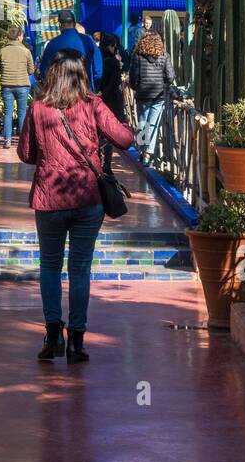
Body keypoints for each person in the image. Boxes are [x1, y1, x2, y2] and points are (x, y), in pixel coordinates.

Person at [18, 49, 134, 363]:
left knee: (49, 267)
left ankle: (52, 332)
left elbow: (26, 154)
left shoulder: (38, 108)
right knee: (80, 269)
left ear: (52, 76)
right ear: (82, 76)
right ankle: (77, 341)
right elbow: (124, 139)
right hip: (87, 198)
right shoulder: (94, 105)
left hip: (49, 199)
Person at [129, 25, 174, 165]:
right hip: (158, 95)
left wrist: (135, 87)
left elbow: (134, 76)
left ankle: (143, 151)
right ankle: (148, 154)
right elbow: (170, 77)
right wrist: (164, 84)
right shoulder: (164, 56)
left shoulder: (137, 56)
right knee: (153, 124)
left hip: (142, 94)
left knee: (142, 123)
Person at [37, 9, 102, 89]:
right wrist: (93, 87)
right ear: (74, 24)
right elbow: (98, 70)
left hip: (60, 92)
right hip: (84, 90)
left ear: (60, 26)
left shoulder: (52, 44)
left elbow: (44, 70)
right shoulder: (88, 41)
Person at [0, 25, 34, 145]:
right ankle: (22, 141)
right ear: (18, 37)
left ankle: (7, 139)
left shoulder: (2, 51)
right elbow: (31, 70)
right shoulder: (26, 51)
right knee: (22, 112)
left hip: (7, 85)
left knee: (8, 112)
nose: (22, 37)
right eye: (22, 35)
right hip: (23, 85)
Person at [97, 32, 127, 173]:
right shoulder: (112, 62)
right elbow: (114, 83)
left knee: (98, 131)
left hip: (98, 99)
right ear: (110, 46)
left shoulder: (96, 59)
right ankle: (106, 164)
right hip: (110, 102)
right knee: (108, 133)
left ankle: (97, 159)